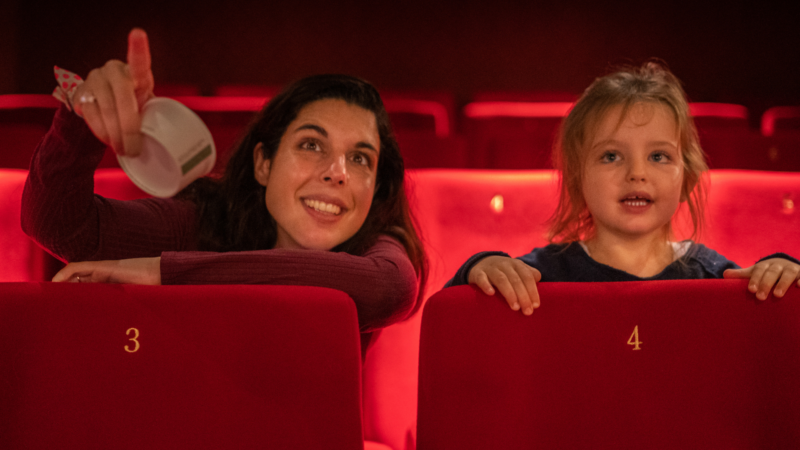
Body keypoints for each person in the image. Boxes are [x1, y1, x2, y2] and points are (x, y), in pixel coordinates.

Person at [22, 29, 428, 356]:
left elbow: (388, 287)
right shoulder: (206, 219)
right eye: (311, 145)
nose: (337, 173)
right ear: (263, 163)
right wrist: (81, 121)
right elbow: (59, 224)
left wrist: (164, 273)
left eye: (360, 159)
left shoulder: (379, 248)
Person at [447, 61, 800, 315]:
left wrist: (782, 272)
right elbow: (454, 313)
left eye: (659, 156)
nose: (637, 173)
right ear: (578, 180)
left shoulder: (712, 277)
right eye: (611, 156)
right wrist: (481, 268)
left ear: (686, 180)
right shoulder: (544, 276)